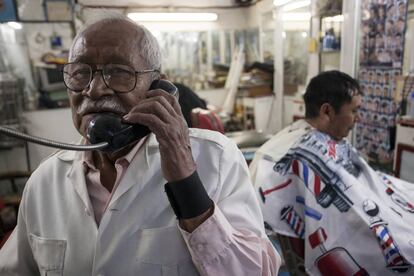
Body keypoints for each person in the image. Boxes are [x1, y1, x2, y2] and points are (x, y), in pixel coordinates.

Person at [0, 11, 280, 275]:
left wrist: (186, 184)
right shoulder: (44, 182)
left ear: (158, 88)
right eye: (80, 73)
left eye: (118, 71)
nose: (95, 89)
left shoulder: (215, 159)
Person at [251, 71, 414, 275]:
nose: (358, 119)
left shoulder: (306, 138)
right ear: (327, 111)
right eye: (354, 111)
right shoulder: (300, 154)